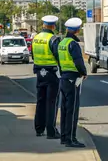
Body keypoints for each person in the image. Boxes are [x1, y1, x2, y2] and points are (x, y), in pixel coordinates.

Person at [58, 17, 87, 148]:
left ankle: (64, 137)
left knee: (64, 109)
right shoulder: (73, 44)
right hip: (73, 78)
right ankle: (71, 139)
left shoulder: (62, 42)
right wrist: (84, 73)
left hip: (64, 77)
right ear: (77, 30)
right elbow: (78, 61)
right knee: (72, 110)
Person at [32, 15, 61, 139]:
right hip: (51, 73)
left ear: (43, 24)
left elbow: (33, 55)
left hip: (39, 72)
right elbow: (58, 56)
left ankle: (39, 129)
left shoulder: (36, 38)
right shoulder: (54, 39)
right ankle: (51, 131)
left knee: (40, 101)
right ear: (53, 26)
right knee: (52, 102)